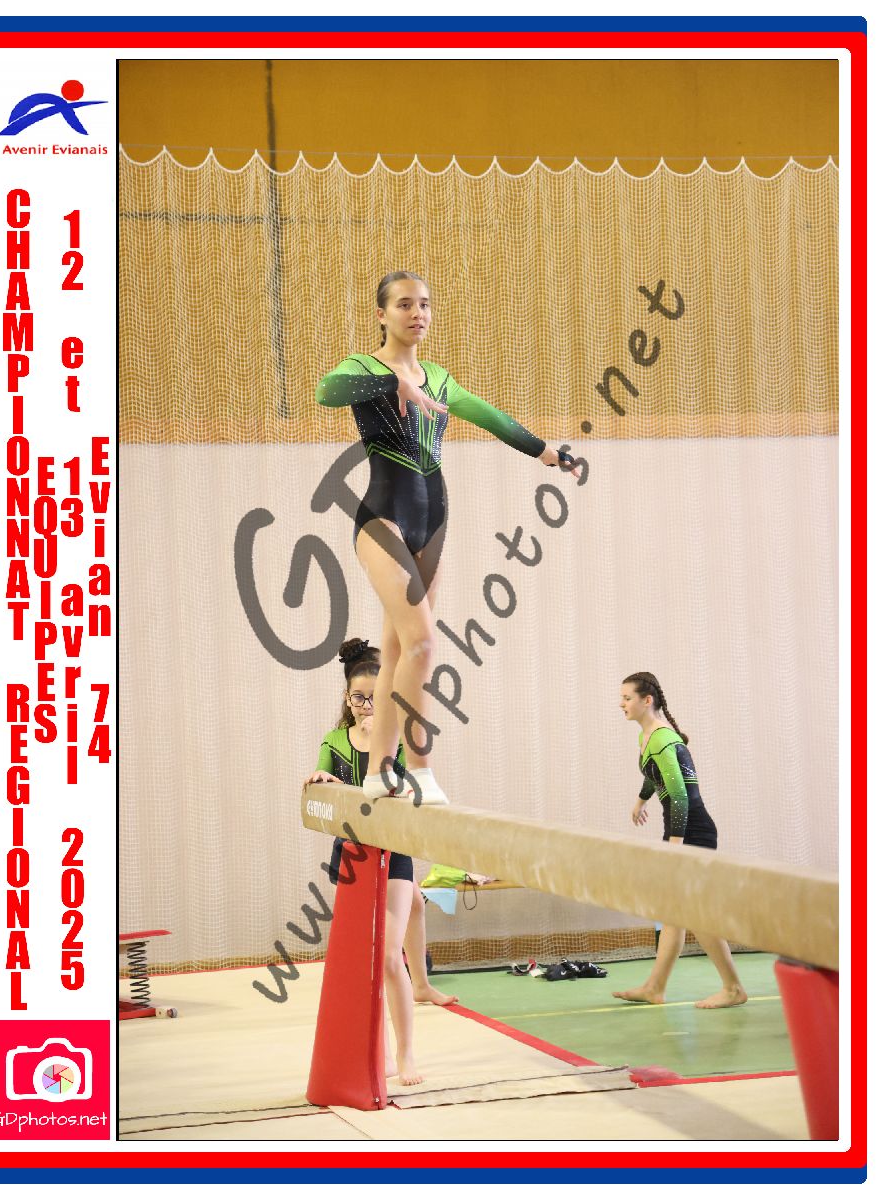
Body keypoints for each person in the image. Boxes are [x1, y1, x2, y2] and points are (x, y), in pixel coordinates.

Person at [316, 271, 584, 807]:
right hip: (383, 517)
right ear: (381, 314)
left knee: (400, 647)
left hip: (434, 519)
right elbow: (326, 391)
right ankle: (419, 769)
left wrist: (548, 453)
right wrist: (392, 384)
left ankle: (378, 770)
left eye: (424, 304)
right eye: (403, 304)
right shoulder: (363, 367)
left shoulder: (439, 379)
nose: (417, 313)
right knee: (424, 642)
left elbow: (494, 419)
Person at [305, 637, 457, 1085]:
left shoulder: (398, 741)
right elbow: (320, 782)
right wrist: (321, 780)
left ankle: (406, 1054)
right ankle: (385, 1048)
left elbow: (408, 788)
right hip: (352, 853)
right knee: (370, 956)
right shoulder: (334, 740)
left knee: (389, 957)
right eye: (359, 698)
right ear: (347, 698)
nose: (366, 707)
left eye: (375, 699)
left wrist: (382, 752)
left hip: (392, 851)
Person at [614, 671, 747, 1009]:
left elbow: (680, 796)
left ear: (647, 700)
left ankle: (733, 988)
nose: (621, 704)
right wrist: (641, 800)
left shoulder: (661, 737)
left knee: (696, 913)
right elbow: (654, 775)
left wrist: (675, 844)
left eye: (627, 698)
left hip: (693, 831)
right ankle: (655, 987)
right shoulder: (648, 737)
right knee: (672, 911)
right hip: (680, 829)